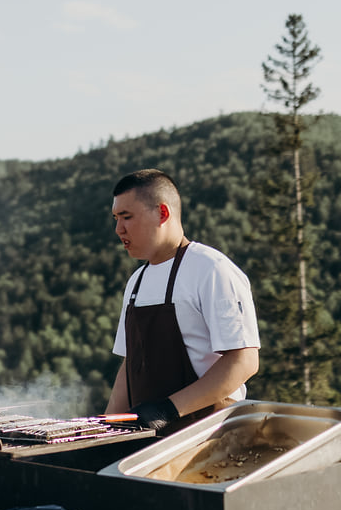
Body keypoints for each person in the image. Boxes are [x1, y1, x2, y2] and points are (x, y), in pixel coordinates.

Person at [104, 169, 260, 435]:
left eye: (127, 217)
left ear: (162, 213)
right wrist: (108, 425)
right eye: (116, 218)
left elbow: (244, 360)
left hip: (210, 438)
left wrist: (169, 409)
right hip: (150, 441)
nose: (119, 229)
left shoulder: (211, 269)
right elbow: (129, 366)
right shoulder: (136, 282)